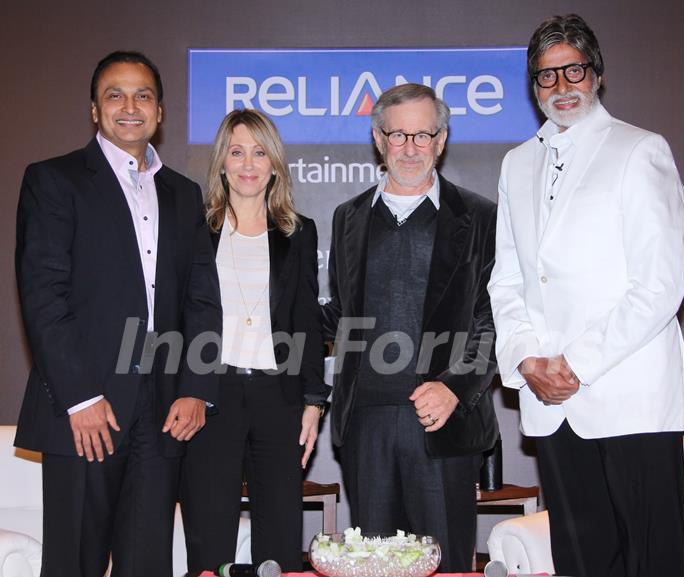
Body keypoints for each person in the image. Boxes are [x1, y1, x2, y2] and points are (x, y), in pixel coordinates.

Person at [488, 14, 684, 577]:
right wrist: (528, 359)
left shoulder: (640, 150)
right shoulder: (516, 163)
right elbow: (507, 279)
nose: (561, 87)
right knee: (581, 562)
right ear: (533, 88)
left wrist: (574, 364)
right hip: (552, 404)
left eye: (572, 70)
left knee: (653, 560)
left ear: (596, 74)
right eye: (545, 77)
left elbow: (659, 285)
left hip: (627, 395)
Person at [14, 51, 222, 576]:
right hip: (87, 408)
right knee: (74, 563)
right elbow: (43, 295)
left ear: (161, 111)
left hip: (163, 412)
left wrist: (195, 386)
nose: (130, 106)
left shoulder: (183, 193)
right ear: (94, 110)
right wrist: (78, 397)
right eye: (115, 94)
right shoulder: (53, 180)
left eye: (143, 95)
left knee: (148, 562)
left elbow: (201, 299)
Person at [322, 83, 498, 572]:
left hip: (441, 421)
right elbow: (342, 313)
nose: (410, 148)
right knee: (375, 567)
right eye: (398, 135)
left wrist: (455, 388)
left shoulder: (480, 217)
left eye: (423, 135)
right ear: (379, 139)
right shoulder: (349, 218)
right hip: (365, 425)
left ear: (441, 140)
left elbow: (494, 320)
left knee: (447, 565)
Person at [180, 109, 330, 572]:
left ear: (274, 163)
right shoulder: (192, 230)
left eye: (259, 152)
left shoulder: (298, 232)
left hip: (277, 398)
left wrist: (312, 400)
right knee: (210, 534)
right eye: (237, 151)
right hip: (211, 397)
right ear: (221, 162)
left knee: (282, 538)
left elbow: (307, 319)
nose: (248, 163)